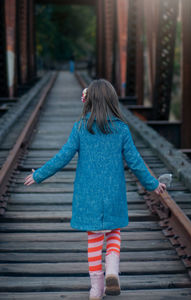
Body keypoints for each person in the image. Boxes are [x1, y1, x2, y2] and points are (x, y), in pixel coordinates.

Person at [24, 79, 166, 300]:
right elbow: (136, 162)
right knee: (114, 232)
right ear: (112, 101)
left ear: (88, 101)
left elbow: (62, 157)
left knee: (94, 240)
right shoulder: (121, 129)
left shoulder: (81, 127)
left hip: (87, 197)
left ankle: (95, 290)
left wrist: (38, 175)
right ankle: (112, 271)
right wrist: (154, 184)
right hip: (114, 195)